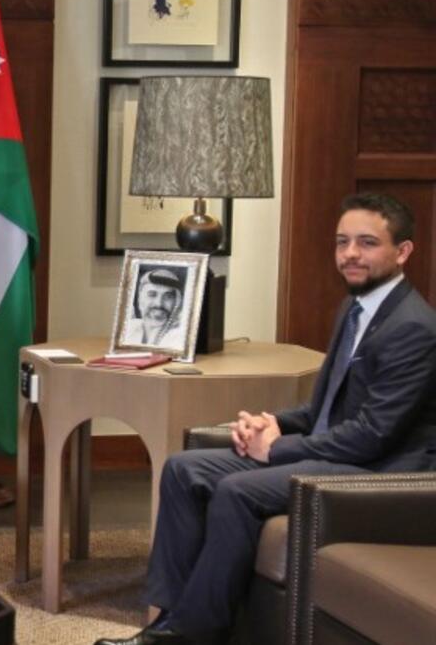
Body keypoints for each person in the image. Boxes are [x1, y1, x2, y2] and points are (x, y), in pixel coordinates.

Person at [96, 192, 436, 645]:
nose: (350, 254)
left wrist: (276, 448)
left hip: (374, 473)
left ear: (403, 251)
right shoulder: (354, 309)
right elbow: (324, 409)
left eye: (367, 243)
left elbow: (371, 436)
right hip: (338, 454)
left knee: (238, 491)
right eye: (342, 242)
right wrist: (270, 422)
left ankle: (194, 632)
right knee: (183, 469)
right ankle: (170, 619)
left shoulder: (413, 327)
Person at [121, 266, 186, 348]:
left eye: (168, 297)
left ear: (177, 302)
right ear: (140, 299)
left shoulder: (179, 338)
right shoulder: (130, 328)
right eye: (152, 294)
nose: (159, 304)